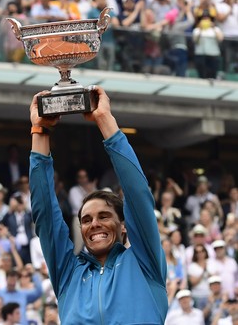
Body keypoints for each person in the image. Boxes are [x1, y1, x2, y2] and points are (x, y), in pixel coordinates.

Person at [28, 85, 168, 323]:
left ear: (124, 225)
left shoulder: (145, 262)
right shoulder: (68, 273)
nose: (94, 224)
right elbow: (45, 215)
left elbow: (137, 193)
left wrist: (105, 120)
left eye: (104, 216)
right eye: (86, 219)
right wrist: (39, 130)